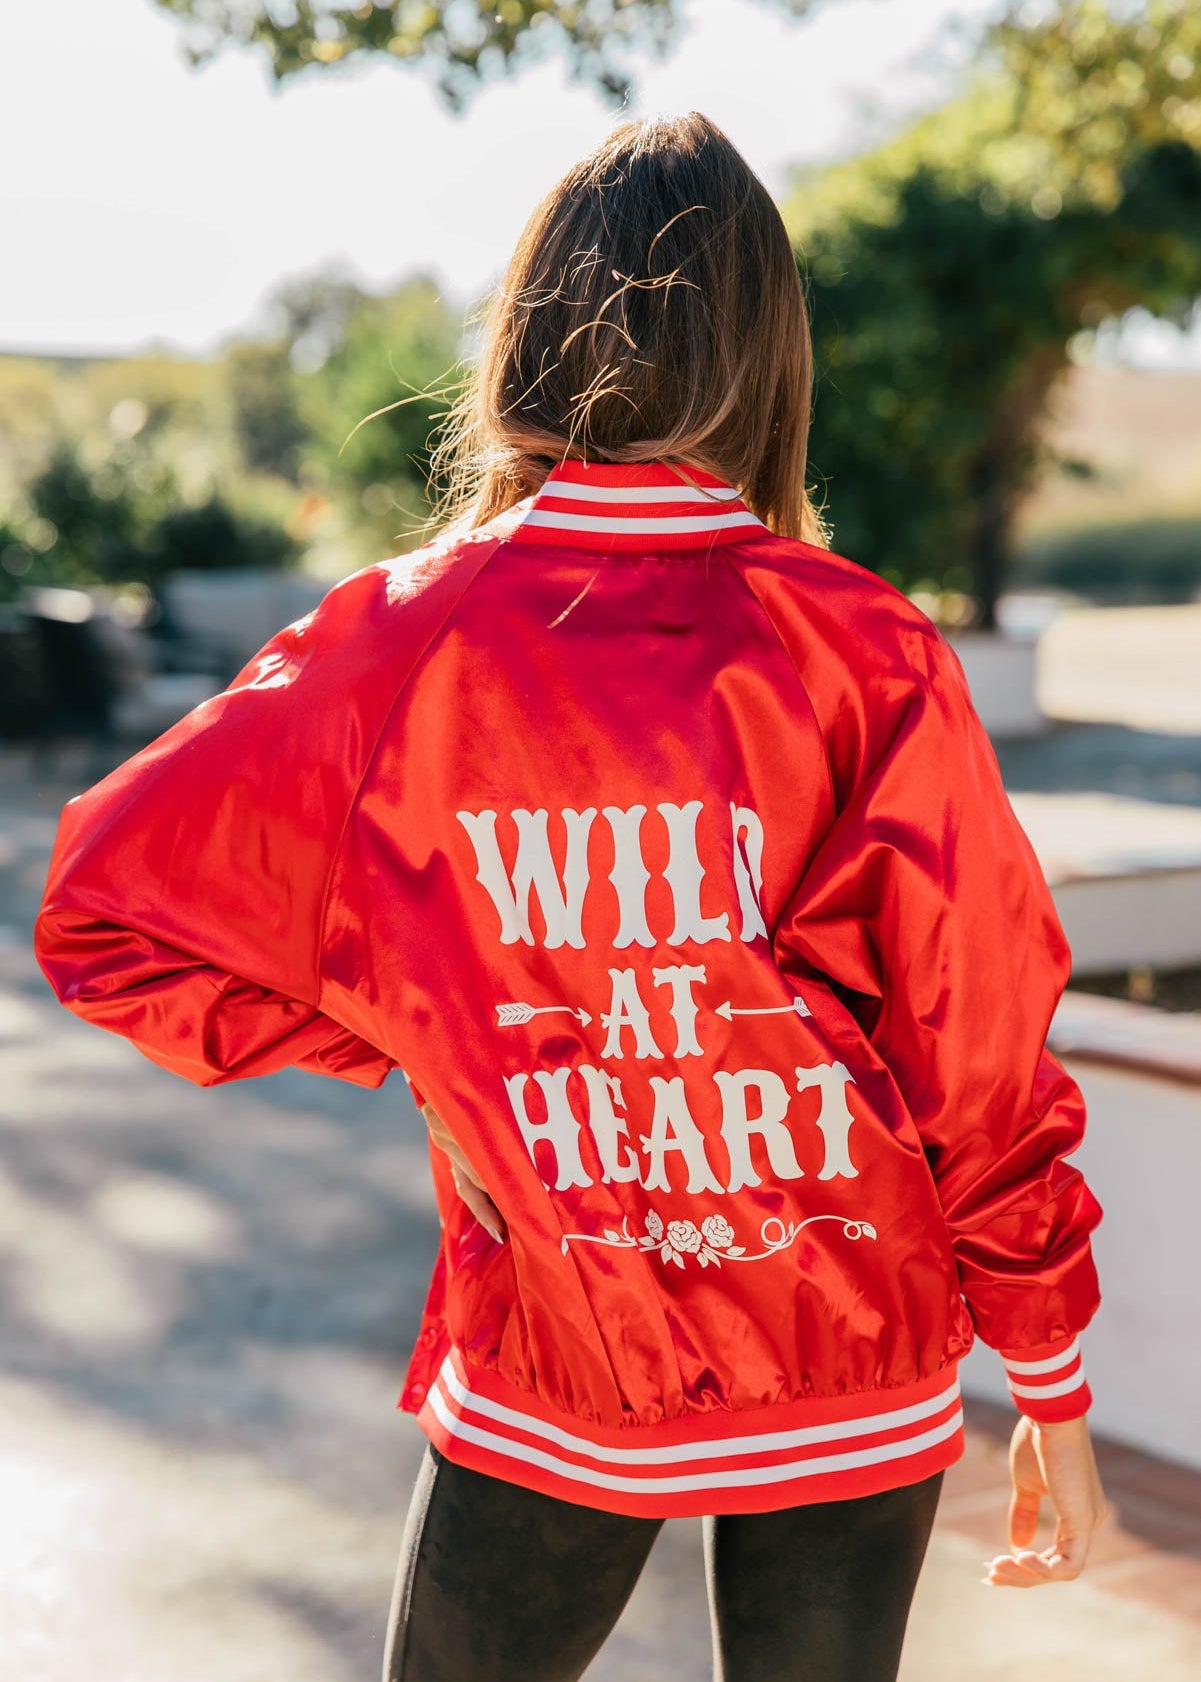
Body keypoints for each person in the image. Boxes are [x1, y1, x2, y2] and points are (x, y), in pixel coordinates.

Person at [34, 112, 1109, 1682]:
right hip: (844, 1335)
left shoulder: (399, 641)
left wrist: (436, 1059)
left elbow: (100, 911)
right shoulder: (863, 646)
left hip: (564, 1332)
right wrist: (1053, 1381)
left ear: (528, 335)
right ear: (766, 351)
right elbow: (978, 1049)